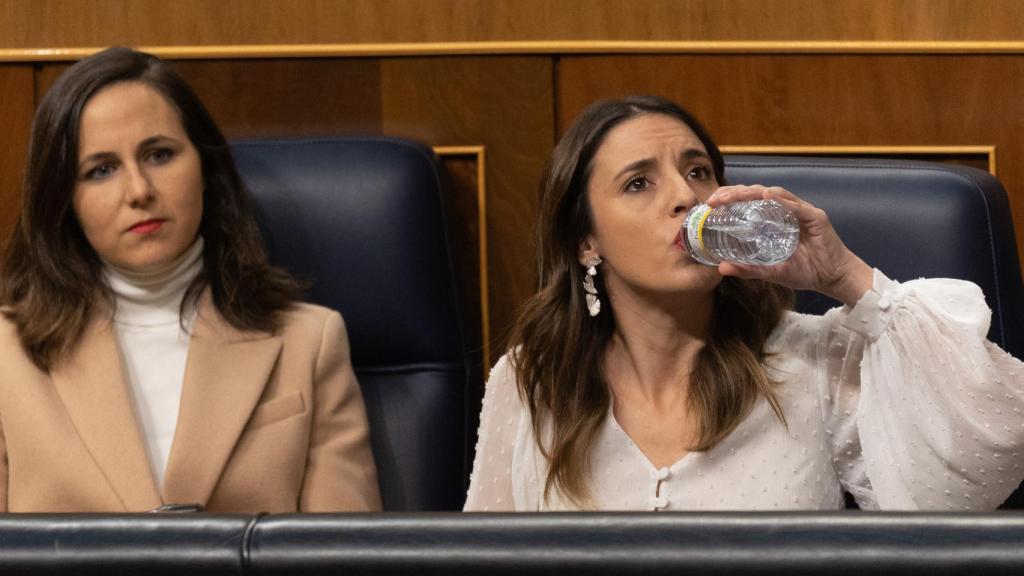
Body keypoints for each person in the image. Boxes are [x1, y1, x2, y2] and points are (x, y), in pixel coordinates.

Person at [464, 95, 1024, 511]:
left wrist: (848, 278)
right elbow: (485, 560)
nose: (686, 196)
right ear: (586, 241)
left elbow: (989, 456)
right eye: (638, 183)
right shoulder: (531, 380)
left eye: (697, 172)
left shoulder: (816, 360)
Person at [0, 47, 381, 513]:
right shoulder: (6, 357)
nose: (139, 191)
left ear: (204, 169)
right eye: (101, 170)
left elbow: (342, 549)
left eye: (159, 154)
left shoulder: (309, 343)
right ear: (64, 202)